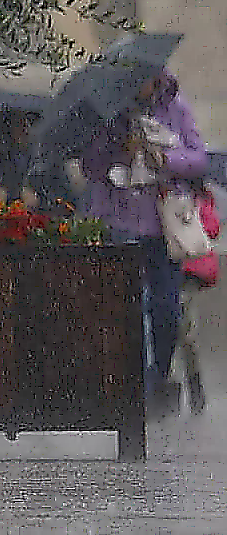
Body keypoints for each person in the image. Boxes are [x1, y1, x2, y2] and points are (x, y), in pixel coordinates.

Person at [80, 69, 207, 413]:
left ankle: (158, 376)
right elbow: (91, 166)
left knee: (165, 307)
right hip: (120, 223)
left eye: (145, 80)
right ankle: (130, 382)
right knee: (123, 305)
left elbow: (199, 157)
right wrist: (119, 150)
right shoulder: (109, 114)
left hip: (163, 225)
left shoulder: (175, 109)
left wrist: (166, 158)